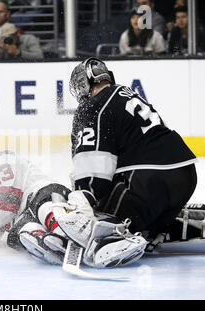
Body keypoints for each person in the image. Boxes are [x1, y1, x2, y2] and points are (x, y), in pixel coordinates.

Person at [0, 133, 146, 268]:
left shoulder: (4, 159)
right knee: (18, 234)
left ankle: (78, 233)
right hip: (23, 216)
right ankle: (50, 240)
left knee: (45, 209)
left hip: (42, 194)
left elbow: (7, 201)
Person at [67, 57, 198, 247]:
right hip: (185, 175)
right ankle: (170, 226)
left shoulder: (94, 105)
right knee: (143, 217)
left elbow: (94, 167)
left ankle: (110, 238)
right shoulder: (124, 94)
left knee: (95, 219)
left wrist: (83, 197)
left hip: (150, 179)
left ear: (85, 83)